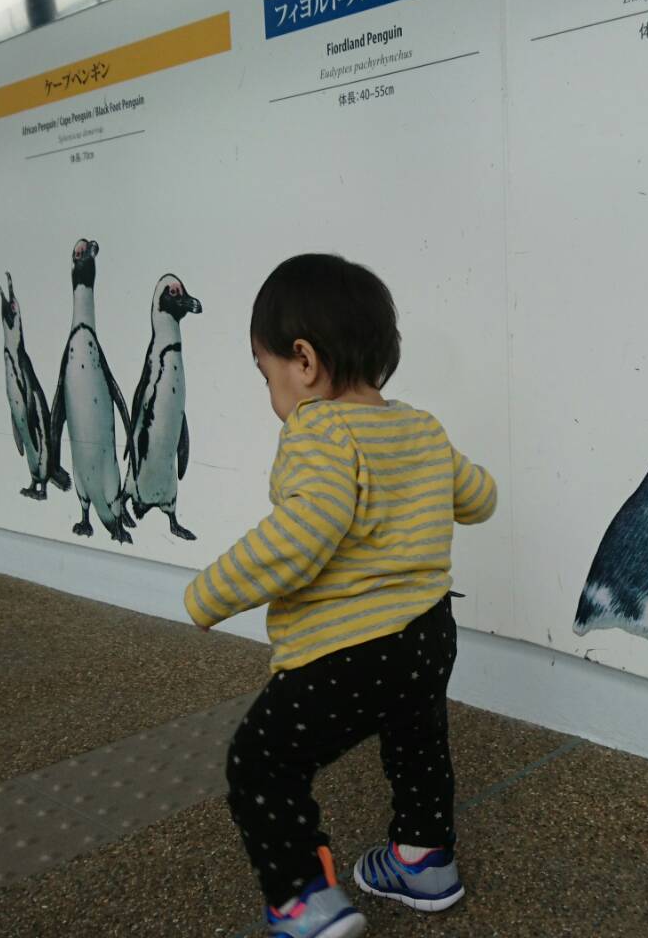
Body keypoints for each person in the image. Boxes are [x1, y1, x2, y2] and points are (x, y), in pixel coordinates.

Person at [186, 254, 498, 938]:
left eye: (263, 373)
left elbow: (303, 535)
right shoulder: (419, 426)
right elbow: (478, 496)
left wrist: (210, 593)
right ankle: (423, 861)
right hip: (427, 637)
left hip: (346, 652)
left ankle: (305, 899)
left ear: (303, 361)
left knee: (262, 763)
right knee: (417, 740)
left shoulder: (319, 430)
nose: (269, 391)